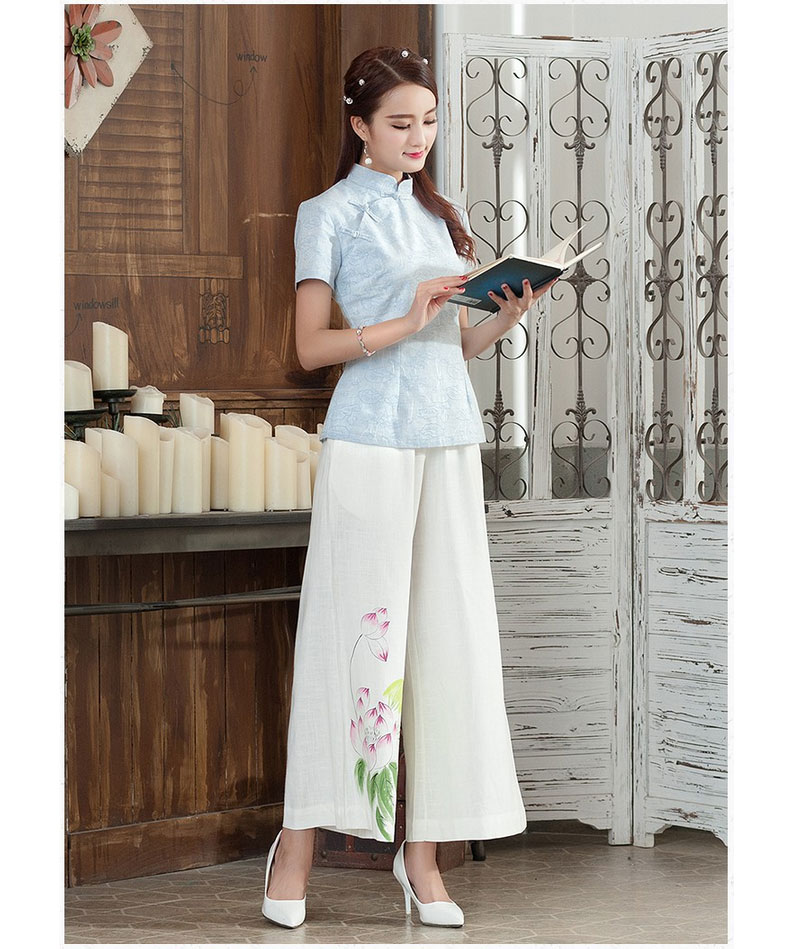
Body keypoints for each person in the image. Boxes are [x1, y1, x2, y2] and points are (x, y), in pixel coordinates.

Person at [261, 45, 557, 930]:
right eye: (400, 123)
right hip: (368, 442)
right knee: (352, 643)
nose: (418, 137)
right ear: (359, 125)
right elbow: (310, 348)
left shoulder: (440, 214)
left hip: (448, 440)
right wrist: (405, 316)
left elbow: (449, 347)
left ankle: (421, 857)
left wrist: (500, 318)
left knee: (447, 643)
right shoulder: (326, 214)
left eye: (428, 121)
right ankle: (296, 848)